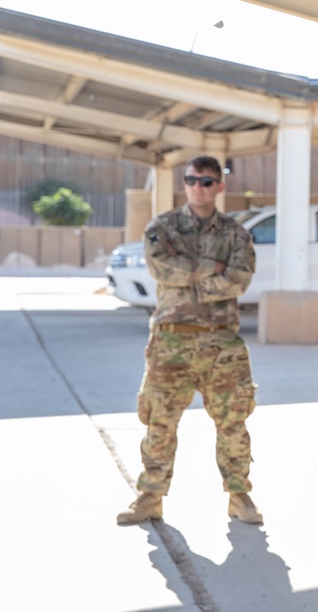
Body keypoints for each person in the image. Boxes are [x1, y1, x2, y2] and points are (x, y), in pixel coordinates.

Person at [117, 155, 262, 525]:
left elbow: (239, 279)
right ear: (185, 183)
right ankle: (150, 497)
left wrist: (189, 273)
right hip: (171, 344)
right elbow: (160, 268)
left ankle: (239, 496)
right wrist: (213, 268)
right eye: (193, 179)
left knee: (233, 423)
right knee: (159, 423)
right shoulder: (161, 227)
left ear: (219, 186)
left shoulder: (236, 233)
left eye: (207, 181)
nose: (199, 186)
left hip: (222, 345)